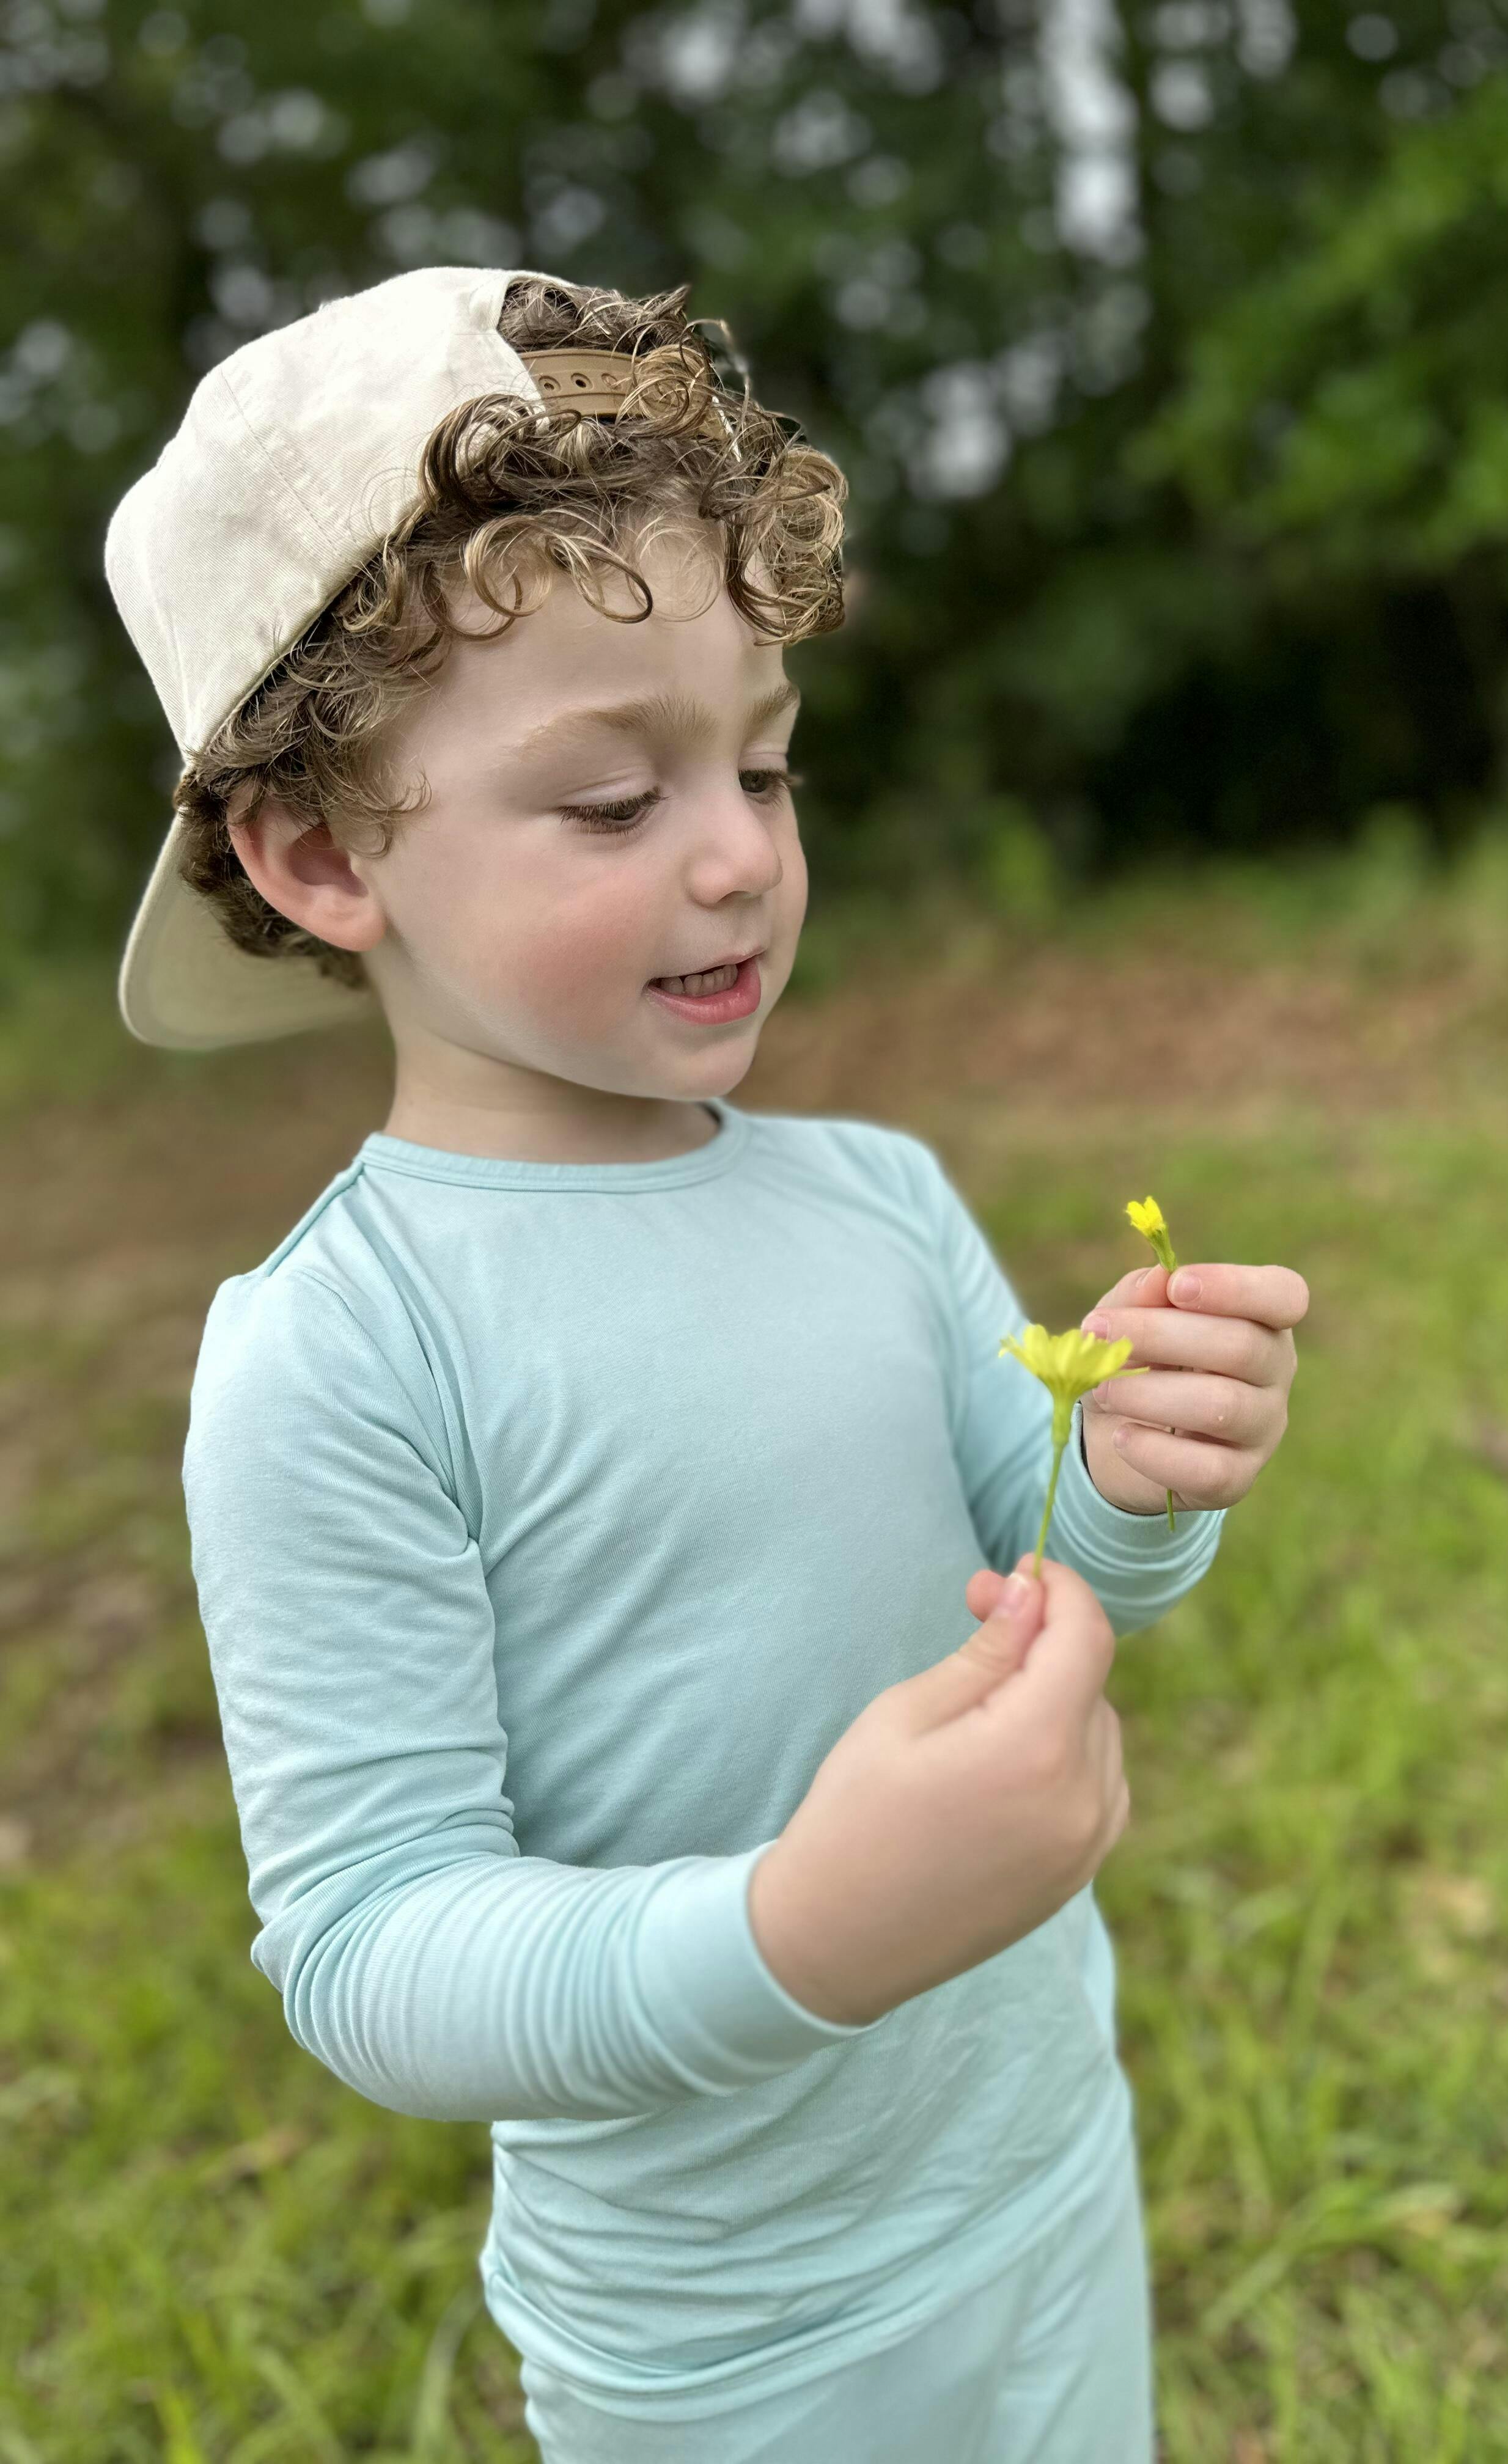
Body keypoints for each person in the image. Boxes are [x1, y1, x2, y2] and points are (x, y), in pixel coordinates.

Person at [103, 265, 1309, 2462]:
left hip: (1038, 2174)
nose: (743, 852)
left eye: (762, 761)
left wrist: (1131, 1483)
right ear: (319, 854)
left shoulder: (877, 1197)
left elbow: (1043, 1586)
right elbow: (371, 1941)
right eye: (608, 801)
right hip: (731, 2335)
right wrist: (792, 1931)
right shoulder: (344, 1350)